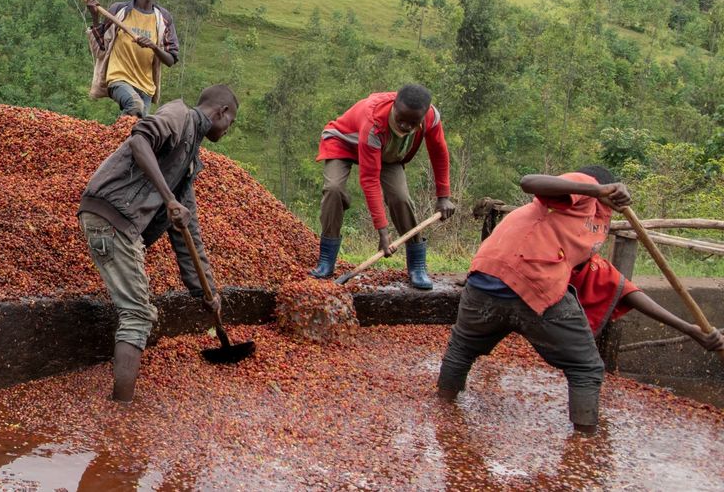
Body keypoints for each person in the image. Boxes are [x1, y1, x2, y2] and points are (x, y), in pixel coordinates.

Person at [437, 167, 723, 433]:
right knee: (587, 367)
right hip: (531, 280)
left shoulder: (578, 231)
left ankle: (442, 411)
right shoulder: (583, 194)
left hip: (482, 283)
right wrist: (596, 190)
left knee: (462, 349)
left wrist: (690, 329)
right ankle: (585, 440)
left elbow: (624, 290)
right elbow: (529, 181)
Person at [77, 84, 239, 403]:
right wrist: (168, 198)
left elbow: (186, 230)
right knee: (138, 315)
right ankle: (122, 411)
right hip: (113, 216)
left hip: (120, 225)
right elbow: (139, 140)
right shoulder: (178, 114)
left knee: (135, 311)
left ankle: (121, 398)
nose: (227, 130)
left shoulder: (189, 161)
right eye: (230, 122)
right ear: (221, 113)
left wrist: (206, 292)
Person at [308, 84, 455, 289]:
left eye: (413, 123)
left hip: (386, 151)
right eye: (401, 119)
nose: (405, 126)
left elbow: (439, 153)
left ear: (423, 116)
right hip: (344, 141)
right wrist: (383, 231)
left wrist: (443, 196)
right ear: (394, 106)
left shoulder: (431, 118)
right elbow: (369, 179)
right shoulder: (374, 122)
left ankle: (417, 265)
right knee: (334, 189)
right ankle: (326, 260)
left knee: (400, 197)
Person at [84, 0, 180, 118]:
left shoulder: (163, 18)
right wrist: (95, 16)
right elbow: (101, 46)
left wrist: (154, 46)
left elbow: (171, 59)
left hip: (146, 87)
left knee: (137, 131)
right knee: (135, 106)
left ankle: (113, 141)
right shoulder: (119, 11)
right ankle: (112, 138)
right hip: (118, 77)